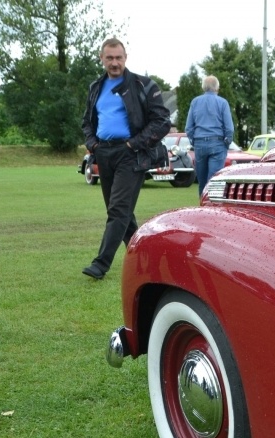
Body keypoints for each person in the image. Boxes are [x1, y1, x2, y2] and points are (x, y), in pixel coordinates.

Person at [80, 37, 171, 280]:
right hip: (104, 153)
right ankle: (146, 261)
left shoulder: (143, 85)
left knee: (118, 210)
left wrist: (134, 143)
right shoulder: (95, 88)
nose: (114, 62)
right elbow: (87, 122)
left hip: (131, 154)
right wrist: (93, 145)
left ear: (125, 58)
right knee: (122, 213)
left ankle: (100, 264)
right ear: (101, 58)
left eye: (118, 57)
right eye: (109, 58)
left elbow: (162, 121)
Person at [185, 75, 234, 197]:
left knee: (202, 182)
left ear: (203, 87)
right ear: (217, 87)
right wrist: (226, 142)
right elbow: (229, 127)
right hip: (217, 143)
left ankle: (202, 208)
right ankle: (213, 209)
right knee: (214, 181)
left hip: (200, 143)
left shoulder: (195, 102)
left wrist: (194, 141)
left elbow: (188, 127)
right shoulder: (223, 103)